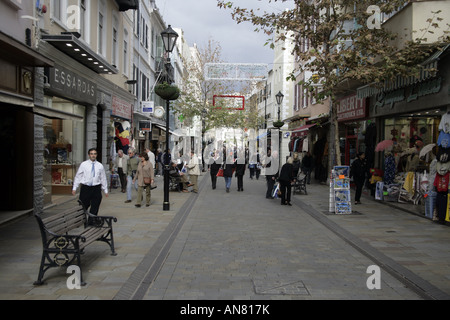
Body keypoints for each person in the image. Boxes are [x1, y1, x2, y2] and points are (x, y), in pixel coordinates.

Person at [72, 148, 108, 216]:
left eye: (94, 154)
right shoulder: (84, 164)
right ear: (89, 155)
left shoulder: (100, 166)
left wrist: (105, 190)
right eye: (91, 154)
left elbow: (103, 178)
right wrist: (74, 187)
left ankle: (91, 221)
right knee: (83, 205)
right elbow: (78, 176)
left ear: (96, 155)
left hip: (96, 188)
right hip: (86, 188)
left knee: (95, 205)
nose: (93, 155)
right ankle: (81, 218)